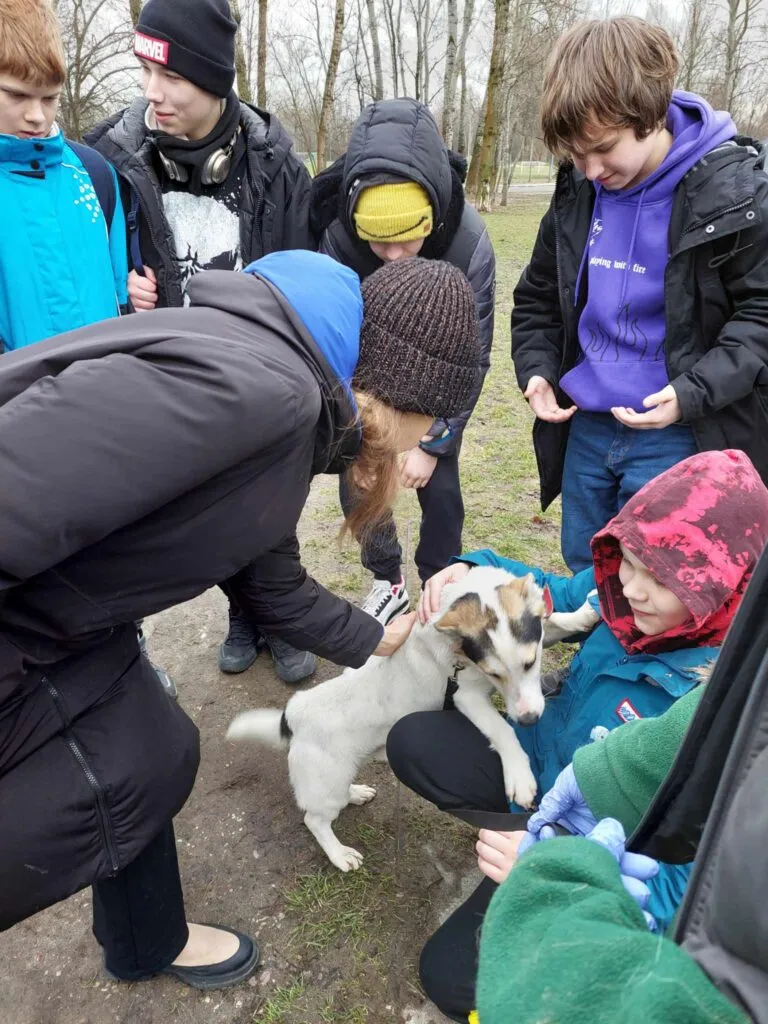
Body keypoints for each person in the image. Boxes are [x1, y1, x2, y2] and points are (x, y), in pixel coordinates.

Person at [0, 251, 480, 988]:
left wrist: (371, 637)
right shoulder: (264, 393)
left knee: (150, 745)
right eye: (433, 423)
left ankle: (146, 939)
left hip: (63, 620)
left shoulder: (282, 392)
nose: (425, 444)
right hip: (23, 628)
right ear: (406, 394)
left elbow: (265, 568)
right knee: (99, 785)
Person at [386, 448, 768, 1022]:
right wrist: (468, 568)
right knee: (414, 740)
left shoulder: (724, 700)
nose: (631, 590)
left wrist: (559, 865)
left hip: (599, 851)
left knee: (450, 976)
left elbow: (698, 888)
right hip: (545, 776)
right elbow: (542, 592)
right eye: (628, 562)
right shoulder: (621, 591)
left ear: (714, 584)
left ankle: (521, 855)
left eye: (658, 580)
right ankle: (515, 827)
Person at [86, 0, 315, 683]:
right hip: (165, 382)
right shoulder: (106, 160)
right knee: (196, 512)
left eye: (172, 78)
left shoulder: (278, 166)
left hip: (258, 375)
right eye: (144, 72)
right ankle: (238, 608)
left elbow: (302, 273)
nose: (153, 93)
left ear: (214, 80)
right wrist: (126, 297)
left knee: (270, 506)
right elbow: (91, 276)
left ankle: (271, 616)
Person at [512, 16, 768, 573]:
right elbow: (536, 294)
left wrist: (692, 392)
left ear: (650, 115)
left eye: (603, 150)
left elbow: (761, 315)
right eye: (577, 156)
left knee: (658, 577)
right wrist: (535, 369)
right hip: (585, 423)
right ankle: (593, 664)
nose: (591, 170)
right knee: (586, 561)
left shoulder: (734, 191)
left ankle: (646, 666)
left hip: (678, 430)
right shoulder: (579, 188)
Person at [475, 661, 767, 1023]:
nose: (634, 598)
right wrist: (607, 774)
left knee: (450, 978)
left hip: (602, 908)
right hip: (567, 850)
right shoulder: (612, 627)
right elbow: (748, 710)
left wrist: (559, 900)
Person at [310, 97, 495, 628]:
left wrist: (434, 440)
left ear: (431, 217)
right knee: (360, 476)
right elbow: (333, 344)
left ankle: (442, 583)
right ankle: (385, 578)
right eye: (379, 243)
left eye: (408, 239)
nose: (395, 256)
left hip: (435, 385)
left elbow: (474, 357)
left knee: (441, 490)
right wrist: (364, 427)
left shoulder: (468, 242)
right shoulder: (340, 240)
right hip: (368, 377)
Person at [0, 0, 127, 353]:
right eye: (16, 95)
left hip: (106, 392)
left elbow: (123, 302)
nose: (36, 116)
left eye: (50, 98)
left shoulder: (96, 173)